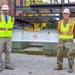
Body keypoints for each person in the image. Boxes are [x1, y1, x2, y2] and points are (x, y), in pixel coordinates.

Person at [54, 8, 75, 73]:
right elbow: (59, 31)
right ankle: (60, 65)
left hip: (69, 41)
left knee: (70, 53)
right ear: (63, 14)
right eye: (64, 13)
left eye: (67, 13)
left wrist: (72, 38)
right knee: (59, 53)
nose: (66, 15)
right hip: (61, 40)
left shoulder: (73, 22)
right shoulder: (59, 23)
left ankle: (70, 66)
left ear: (69, 14)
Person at [0, 4, 14, 71]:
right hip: (1, 37)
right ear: (2, 10)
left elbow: (11, 28)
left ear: (8, 11)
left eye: (6, 10)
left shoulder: (12, 19)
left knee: (8, 51)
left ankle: (8, 65)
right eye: (4, 10)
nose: (5, 11)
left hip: (8, 37)